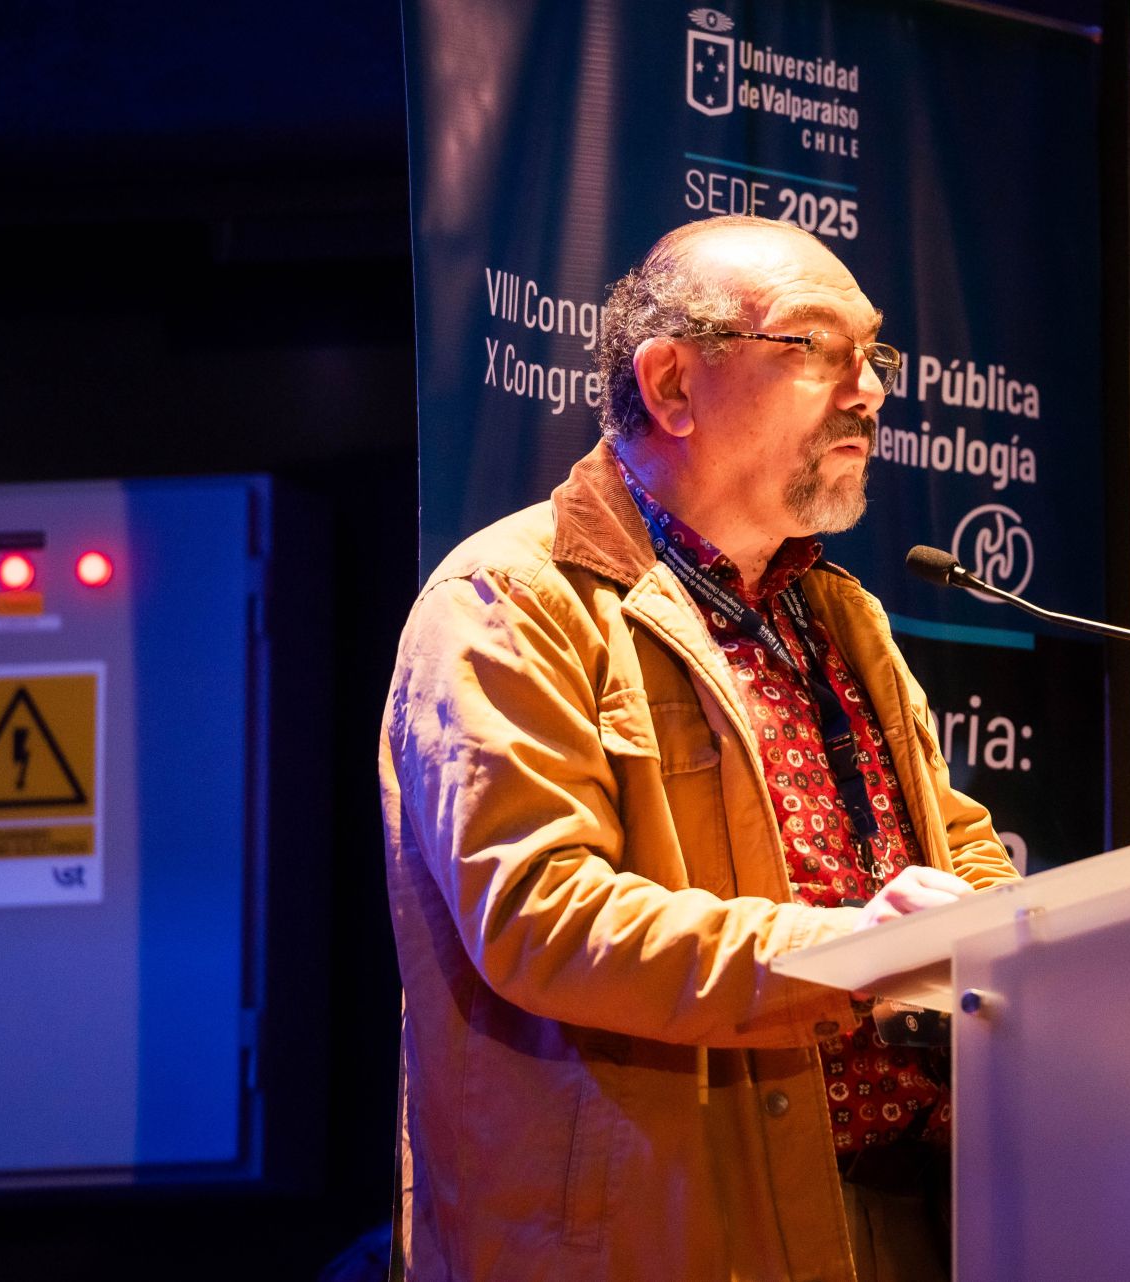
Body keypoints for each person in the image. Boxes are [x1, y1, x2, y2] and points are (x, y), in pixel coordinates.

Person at [380, 214, 1020, 1282]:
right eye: (818, 347)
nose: (868, 390)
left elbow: (958, 846)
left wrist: (1017, 936)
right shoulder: (511, 600)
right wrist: (851, 955)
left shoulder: (837, 611)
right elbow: (541, 917)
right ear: (672, 383)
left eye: (874, 353)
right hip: (676, 1236)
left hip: (919, 1215)